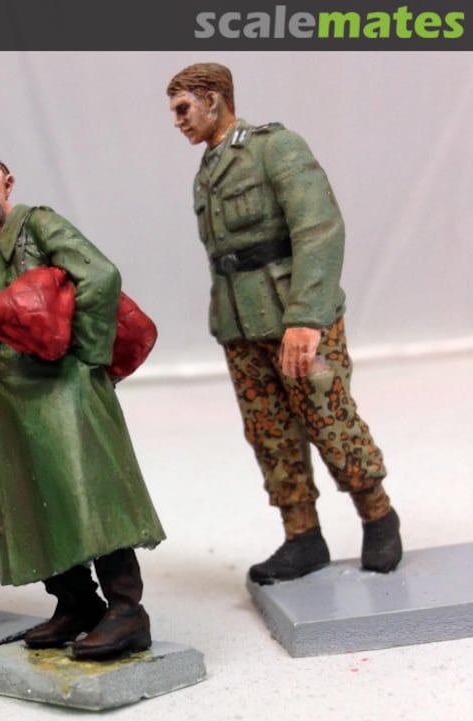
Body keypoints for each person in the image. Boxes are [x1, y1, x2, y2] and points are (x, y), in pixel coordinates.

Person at [166, 62, 402, 585]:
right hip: (238, 321)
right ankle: (302, 535)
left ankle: (378, 514)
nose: (178, 121)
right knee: (268, 431)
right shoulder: (208, 170)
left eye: (183, 109)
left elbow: (319, 228)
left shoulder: (274, 148)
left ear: (213, 100)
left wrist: (306, 318)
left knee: (327, 416)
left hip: (292, 315)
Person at [0, 147, 166, 661]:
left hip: (62, 384)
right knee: (33, 500)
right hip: (8, 395)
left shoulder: (39, 225)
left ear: (7, 181)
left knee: (89, 490)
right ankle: (75, 602)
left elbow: (101, 276)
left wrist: (86, 356)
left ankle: (127, 610)